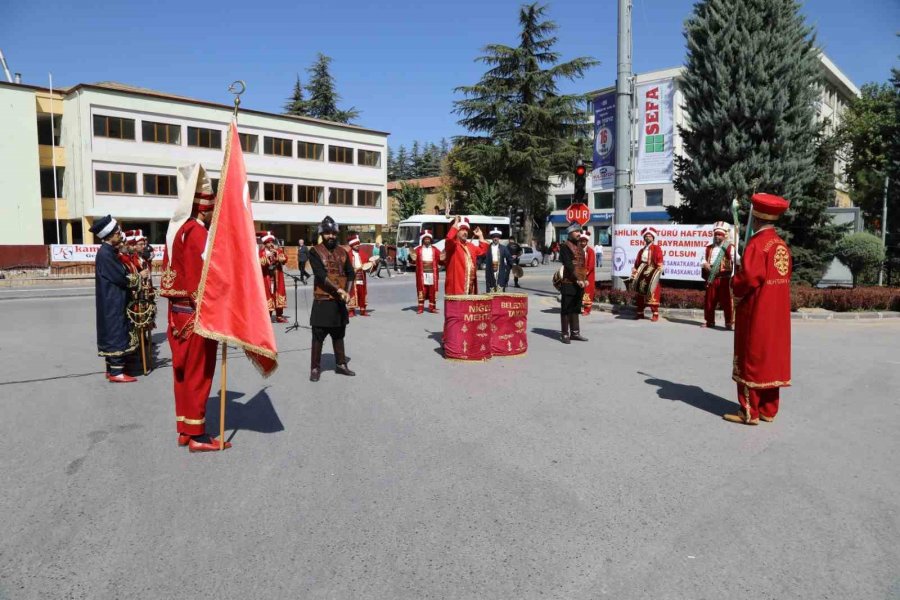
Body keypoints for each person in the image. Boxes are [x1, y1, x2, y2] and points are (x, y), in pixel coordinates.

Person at [159, 168, 230, 452]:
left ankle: (184, 428)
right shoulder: (198, 233)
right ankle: (198, 436)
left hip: (177, 314)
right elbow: (205, 278)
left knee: (183, 373)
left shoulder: (175, 231)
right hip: (197, 314)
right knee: (199, 374)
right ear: (204, 207)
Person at [725, 193, 792, 426]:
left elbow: (750, 278)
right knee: (770, 357)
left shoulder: (757, 244)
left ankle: (749, 412)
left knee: (750, 357)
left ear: (756, 219)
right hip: (777, 312)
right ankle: (768, 410)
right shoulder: (781, 245)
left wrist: (734, 283)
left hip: (756, 311)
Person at [91, 215, 141, 382]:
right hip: (112, 300)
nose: (120, 235)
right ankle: (116, 372)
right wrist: (138, 277)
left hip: (112, 299)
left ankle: (112, 369)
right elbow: (120, 277)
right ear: (110, 235)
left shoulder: (108, 252)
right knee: (115, 331)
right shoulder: (106, 254)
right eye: (118, 232)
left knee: (113, 329)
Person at [308, 216, 356, 382]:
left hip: (339, 302)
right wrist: (340, 289)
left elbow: (351, 273)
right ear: (322, 233)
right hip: (323, 300)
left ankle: (341, 364)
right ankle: (315, 368)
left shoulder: (343, 252)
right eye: (327, 233)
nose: (331, 236)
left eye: (333, 233)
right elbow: (320, 275)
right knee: (318, 336)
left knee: (338, 334)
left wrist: (347, 293)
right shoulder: (314, 251)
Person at [701, 221, 737, 329]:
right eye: (716, 234)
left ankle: (729, 323)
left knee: (727, 302)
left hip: (724, 279)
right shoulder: (708, 248)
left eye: (720, 235)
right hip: (711, 277)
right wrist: (704, 263)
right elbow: (702, 259)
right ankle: (709, 321)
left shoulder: (730, 247)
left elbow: (737, 259)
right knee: (709, 301)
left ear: (724, 236)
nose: (717, 236)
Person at [558, 223, 588, 343]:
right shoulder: (565, 247)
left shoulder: (580, 247)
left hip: (580, 282)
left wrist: (584, 279)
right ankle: (565, 334)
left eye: (579, 231)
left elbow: (582, 265)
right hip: (569, 281)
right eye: (576, 231)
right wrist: (578, 279)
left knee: (576, 307)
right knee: (566, 308)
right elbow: (569, 265)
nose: (579, 234)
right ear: (570, 233)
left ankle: (575, 333)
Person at [443, 216, 488, 295]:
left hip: (470, 287)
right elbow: (449, 239)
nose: (465, 232)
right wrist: (456, 223)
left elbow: (482, 251)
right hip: (456, 286)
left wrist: (480, 236)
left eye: (466, 230)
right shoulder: (453, 245)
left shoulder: (470, 245)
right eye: (462, 230)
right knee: (457, 306)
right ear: (457, 231)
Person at [632, 227, 664, 322]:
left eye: (649, 236)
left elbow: (659, 260)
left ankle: (655, 313)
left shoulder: (656, 248)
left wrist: (658, 268)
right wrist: (635, 270)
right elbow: (637, 263)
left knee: (653, 293)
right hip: (642, 273)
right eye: (646, 236)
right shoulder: (641, 250)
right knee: (640, 292)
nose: (647, 237)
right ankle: (640, 313)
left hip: (652, 272)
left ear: (653, 237)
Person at [258, 231, 288, 323]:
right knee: (268, 295)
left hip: (277, 277)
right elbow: (259, 263)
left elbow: (285, 259)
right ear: (264, 243)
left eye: (271, 242)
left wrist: (277, 255)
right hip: (266, 277)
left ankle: (279, 315)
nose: (270, 244)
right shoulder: (261, 252)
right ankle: (268, 315)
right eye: (268, 242)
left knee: (278, 293)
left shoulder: (277, 250)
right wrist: (267, 257)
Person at [347, 234, 375, 317]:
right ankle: (351, 311)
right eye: (356, 244)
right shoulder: (348, 254)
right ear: (352, 245)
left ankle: (363, 310)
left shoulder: (362, 253)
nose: (358, 245)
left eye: (358, 244)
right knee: (352, 293)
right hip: (352, 278)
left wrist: (373, 264)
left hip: (361, 276)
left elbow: (368, 264)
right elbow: (345, 266)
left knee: (362, 292)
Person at [414, 229, 440, 313]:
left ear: (430, 240)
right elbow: (412, 259)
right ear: (423, 240)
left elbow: (441, 258)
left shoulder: (435, 249)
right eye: (425, 239)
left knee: (432, 290)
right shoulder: (418, 249)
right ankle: (420, 308)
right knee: (422, 289)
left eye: (428, 239)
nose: (427, 240)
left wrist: (444, 257)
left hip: (433, 273)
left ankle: (432, 308)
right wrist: (410, 257)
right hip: (422, 273)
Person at [485, 228, 513, 292]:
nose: (495, 238)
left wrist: (512, 266)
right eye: (494, 237)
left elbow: (509, 258)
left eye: (497, 237)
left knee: (500, 294)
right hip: (490, 272)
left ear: (499, 238)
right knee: (491, 292)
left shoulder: (503, 248)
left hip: (500, 272)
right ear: (492, 238)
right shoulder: (487, 248)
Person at [580, 231, 596, 316]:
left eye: (584, 241)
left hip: (588, 276)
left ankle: (587, 309)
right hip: (579, 275)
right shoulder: (578, 250)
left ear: (587, 242)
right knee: (579, 292)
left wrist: (585, 273)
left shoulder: (590, 251)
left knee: (587, 292)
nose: (582, 243)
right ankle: (578, 307)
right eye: (581, 241)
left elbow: (591, 264)